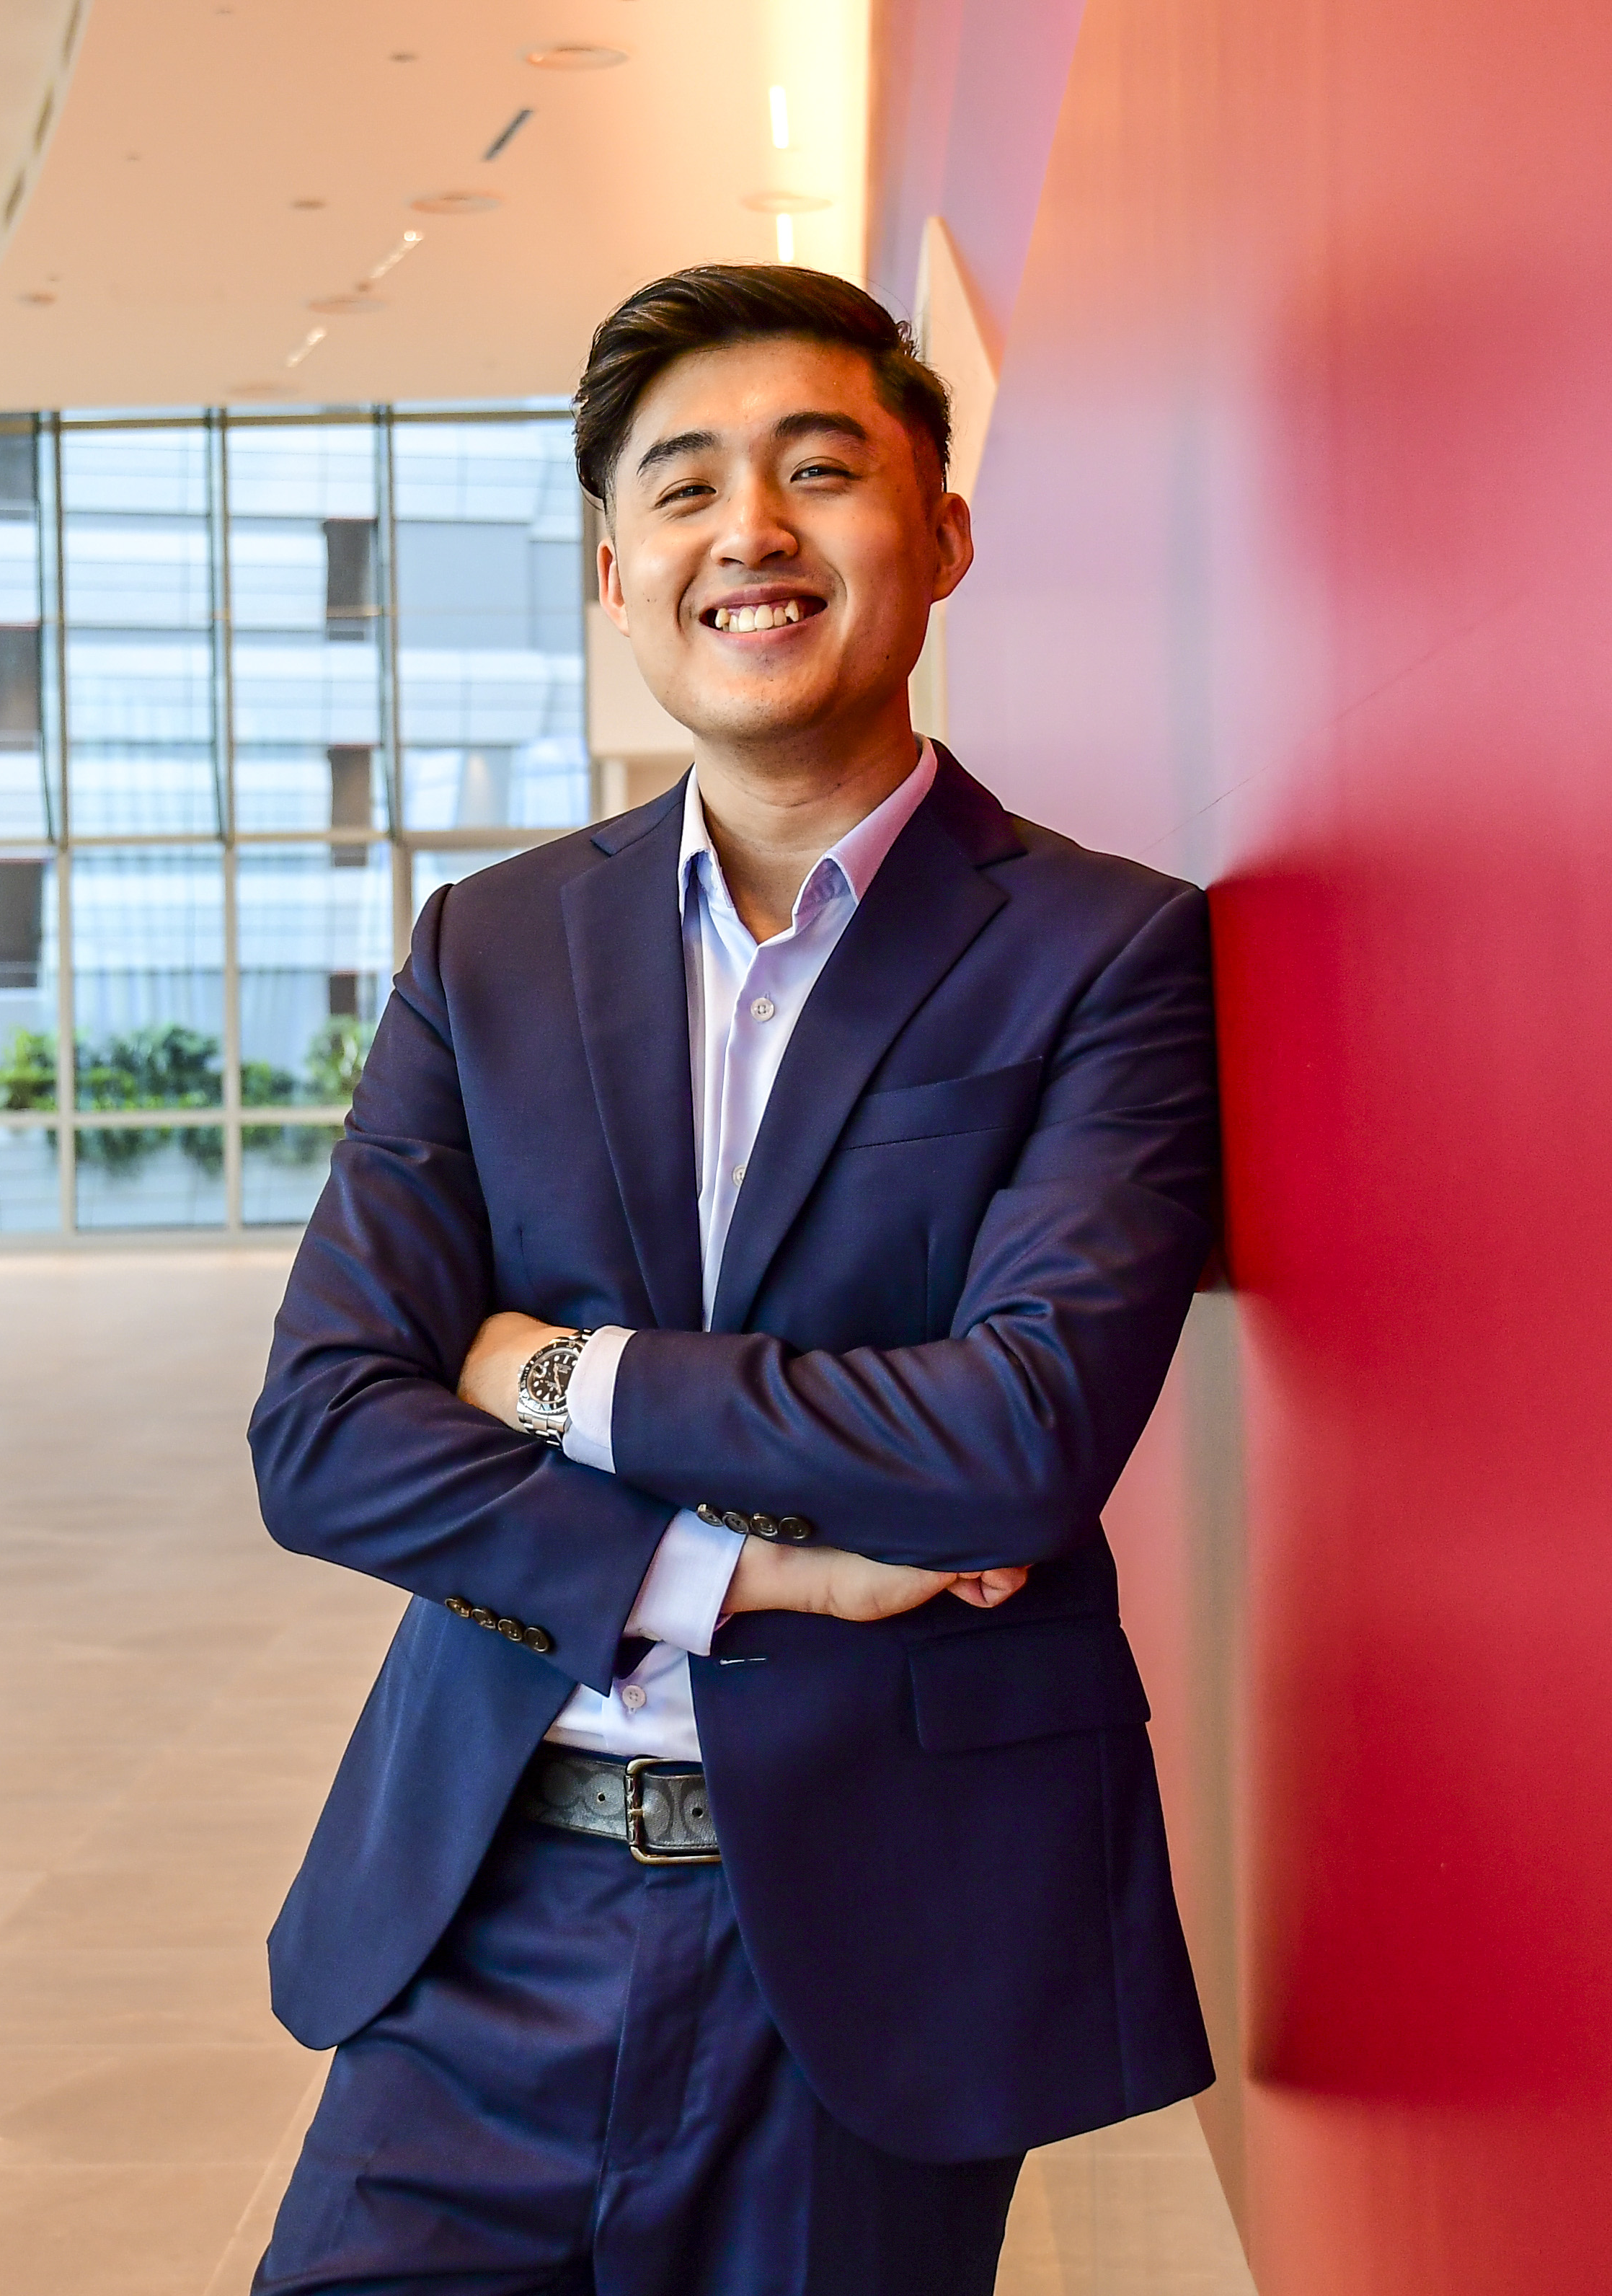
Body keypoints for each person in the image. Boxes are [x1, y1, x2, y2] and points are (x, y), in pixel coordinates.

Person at [247, 263, 1221, 2294]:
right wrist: (748, 1575)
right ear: (620, 573)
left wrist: (556, 1377)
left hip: (875, 1947)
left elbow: (1019, 1439)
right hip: (479, 1916)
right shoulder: (493, 949)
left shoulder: (1105, 953)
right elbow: (326, 1432)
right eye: (684, 487)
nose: (750, 532)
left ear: (942, 531)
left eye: (818, 470)